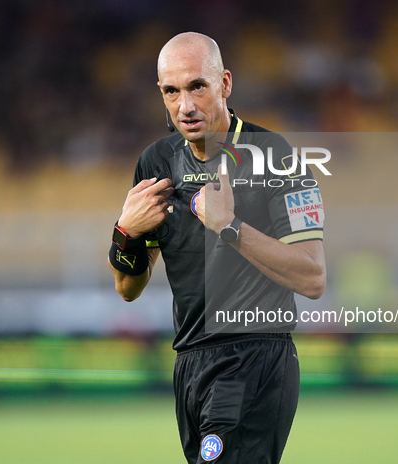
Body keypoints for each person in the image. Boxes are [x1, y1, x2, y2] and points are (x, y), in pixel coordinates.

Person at [109, 32, 326, 464]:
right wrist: (125, 233)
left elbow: (313, 277)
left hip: (255, 356)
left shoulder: (276, 157)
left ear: (224, 84)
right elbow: (128, 288)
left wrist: (228, 226)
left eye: (197, 87)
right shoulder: (155, 162)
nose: (185, 106)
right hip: (189, 361)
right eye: (172, 91)